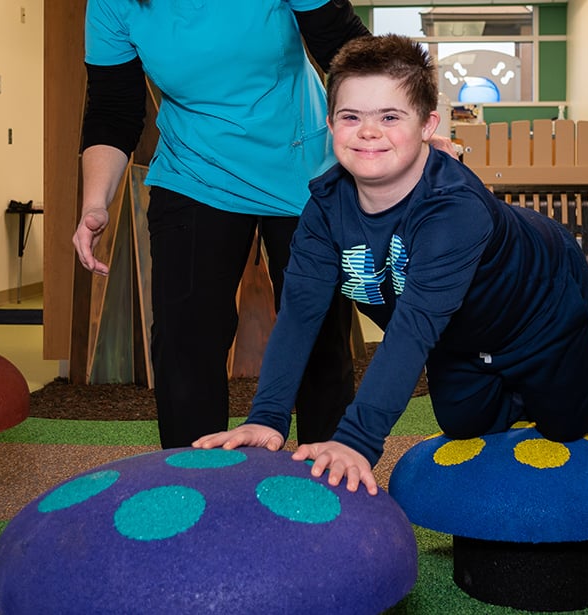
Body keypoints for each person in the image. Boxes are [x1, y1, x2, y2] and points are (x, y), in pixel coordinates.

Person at [194, 34, 588, 495]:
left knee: (564, 421)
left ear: (428, 125)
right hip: (459, 332)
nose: (369, 132)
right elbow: (300, 313)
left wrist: (356, 441)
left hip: (539, 307)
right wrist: (267, 416)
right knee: (466, 424)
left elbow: (411, 330)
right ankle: (518, 388)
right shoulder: (326, 207)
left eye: (390, 117)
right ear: (329, 123)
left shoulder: (454, 210)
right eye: (351, 117)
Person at [72, 1, 372, 448]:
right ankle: (191, 482)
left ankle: (329, 480)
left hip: (299, 165)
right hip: (194, 171)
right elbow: (113, 110)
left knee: (318, 330)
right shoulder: (112, 5)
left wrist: (399, 135)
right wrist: (95, 203)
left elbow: (350, 53)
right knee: (184, 338)